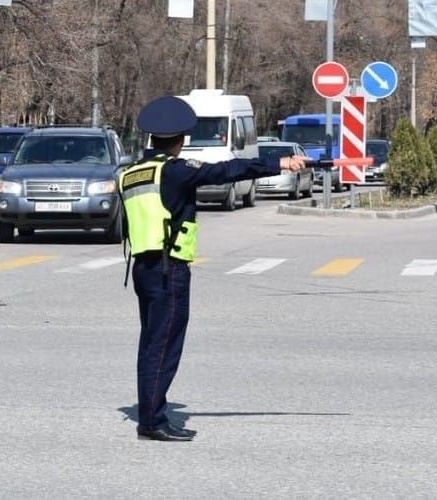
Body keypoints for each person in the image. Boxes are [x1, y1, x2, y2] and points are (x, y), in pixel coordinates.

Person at [118, 96, 308, 442]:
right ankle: (153, 422)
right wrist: (279, 163)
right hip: (168, 268)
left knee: (150, 344)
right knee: (164, 346)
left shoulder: (130, 173)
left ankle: (150, 412)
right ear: (181, 139)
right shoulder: (174, 171)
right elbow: (227, 170)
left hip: (143, 269)